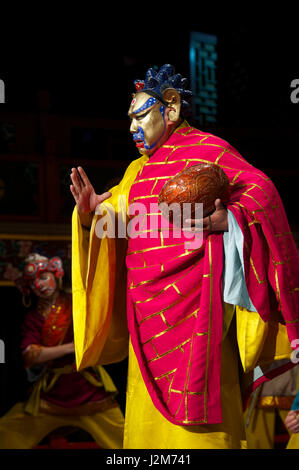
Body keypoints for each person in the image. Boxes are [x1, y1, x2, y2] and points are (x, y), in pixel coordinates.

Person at [70, 64, 299, 449]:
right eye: (130, 118)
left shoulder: (210, 152)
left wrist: (233, 218)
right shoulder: (136, 171)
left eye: (140, 115)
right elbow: (121, 219)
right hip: (145, 315)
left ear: (171, 108)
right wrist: (93, 214)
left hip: (200, 313)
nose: (132, 128)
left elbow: (262, 194)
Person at [0, 253, 124, 449]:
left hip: (87, 390)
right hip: (51, 394)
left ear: (56, 276)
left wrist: (49, 351)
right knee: (6, 433)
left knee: (127, 442)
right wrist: (72, 347)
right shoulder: (34, 318)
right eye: (33, 283)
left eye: (43, 277)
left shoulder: (77, 303)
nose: (39, 285)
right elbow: (31, 354)